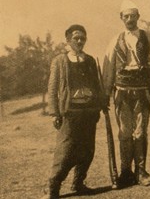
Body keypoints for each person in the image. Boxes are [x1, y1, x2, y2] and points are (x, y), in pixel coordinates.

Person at [102, 0, 150, 187]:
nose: (130, 19)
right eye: (126, 16)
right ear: (121, 18)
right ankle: (125, 172)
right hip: (121, 92)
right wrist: (105, 93)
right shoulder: (115, 40)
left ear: (138, 17)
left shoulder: (148, 38)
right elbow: (108, 67)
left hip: (143, 91)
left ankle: (141, 171)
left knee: (140, 132)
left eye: (133, 16)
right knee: (124, 133)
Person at [41, 24, 102, 199]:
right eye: (76, 38)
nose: (80, 41)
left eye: (83, 38)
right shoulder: (60, 61)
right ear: (68, 40)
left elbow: (97, 86)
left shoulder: (90, 60)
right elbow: (52, 89)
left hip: (88, 111)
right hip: (70, 112)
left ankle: (78, 183)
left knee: (88, 150)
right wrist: (54, 113)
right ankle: (53, 187)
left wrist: (98, 105)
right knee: (65, 151)